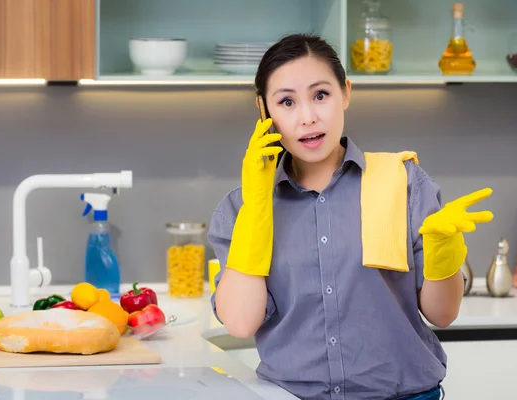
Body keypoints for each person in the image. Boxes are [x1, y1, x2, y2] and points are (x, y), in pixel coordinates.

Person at [207, 33, 493, 400]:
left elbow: (443, 314)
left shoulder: (402, 182)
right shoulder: (241, 208)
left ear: (345, 92)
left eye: (321, 95)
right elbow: (241, 322)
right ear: (264, 110)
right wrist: (257, 209)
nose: (308, 117)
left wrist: (444, 251)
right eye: (287, 102)